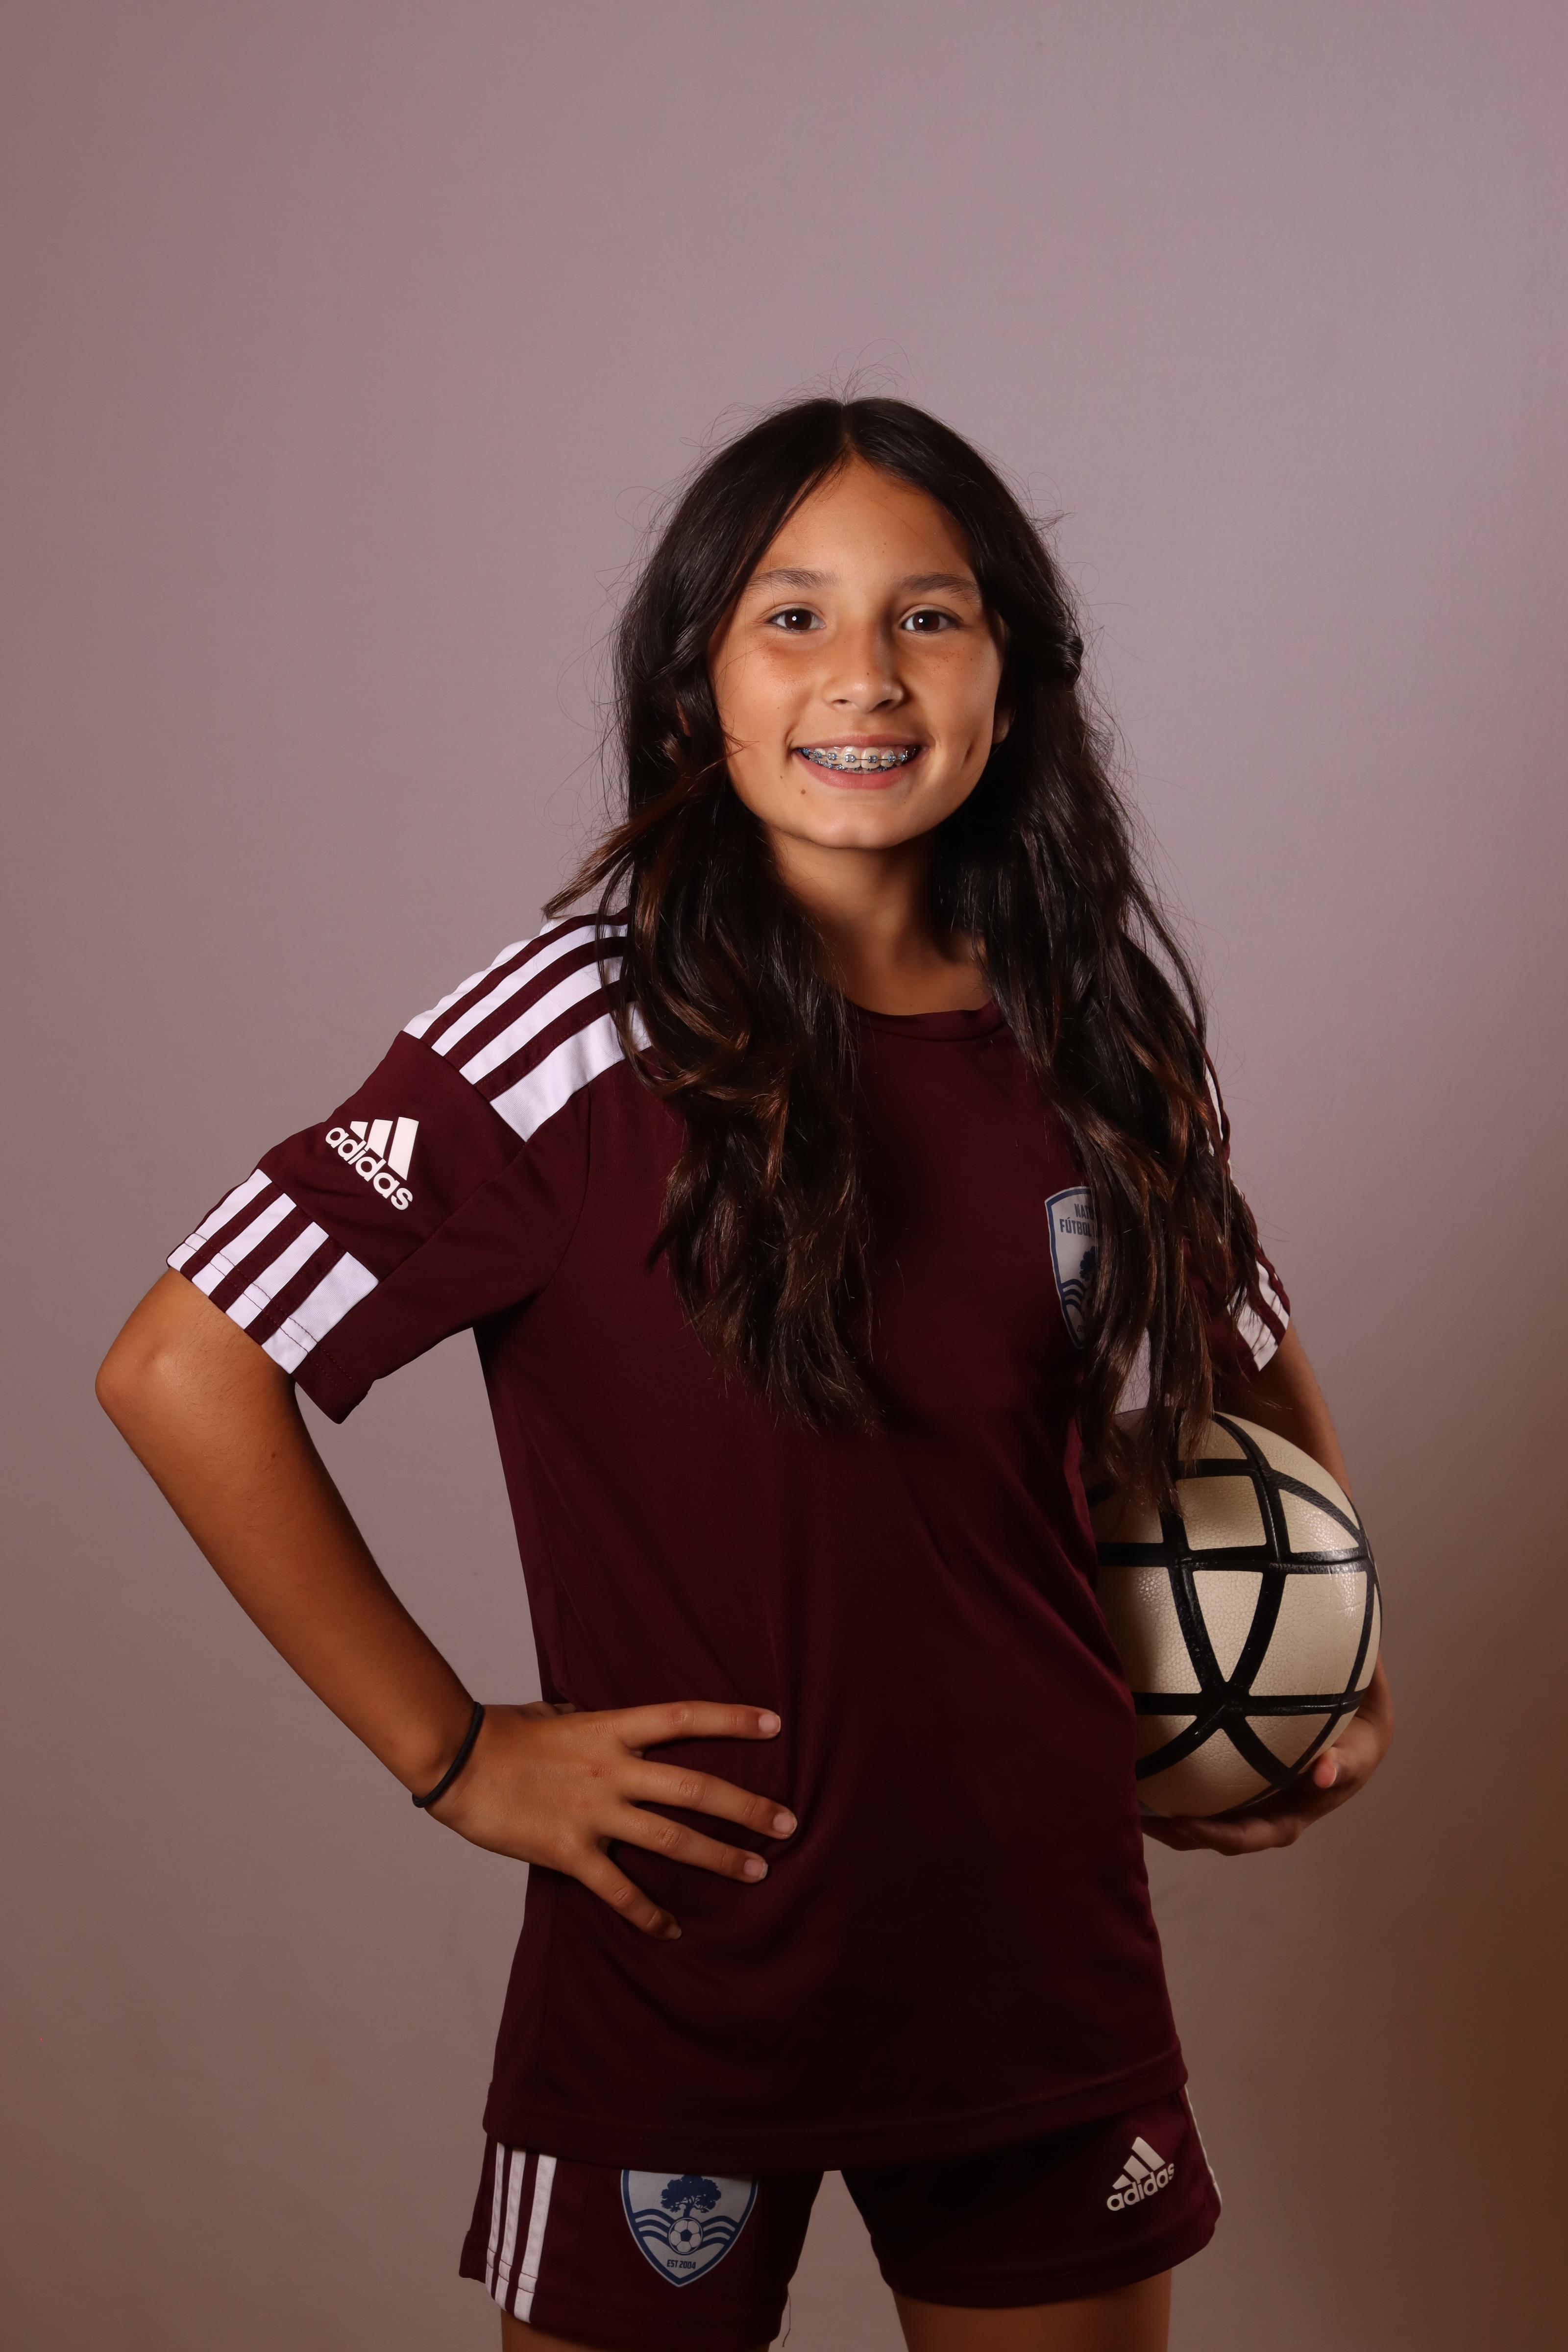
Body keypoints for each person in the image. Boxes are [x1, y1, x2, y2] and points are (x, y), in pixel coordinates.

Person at [97, 397, 1393, 2352]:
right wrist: (453, 1753)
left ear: (1015, 676)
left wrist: (1328, 1657)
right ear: (694, 681)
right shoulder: (573, 1028)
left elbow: (1239, 1334)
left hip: (1035, 1956)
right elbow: (179, 1367)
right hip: (682, 1964)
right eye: (792, 618)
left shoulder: (1102, 1033)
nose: (863, 674)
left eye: (928, 616)